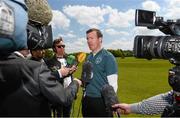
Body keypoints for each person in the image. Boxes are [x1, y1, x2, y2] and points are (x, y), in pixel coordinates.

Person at [0, 0, 81, 116]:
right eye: (40, 28)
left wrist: (65, 74)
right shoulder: (36, 69)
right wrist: (76, 83)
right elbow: (64, 97)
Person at [82, 28, 118, 117]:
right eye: (87, 39)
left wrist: (111, 103)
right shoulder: (88, 57)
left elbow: (113, 84)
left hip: (101, 101)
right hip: (87, 100)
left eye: (92, 38)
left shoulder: (108, 57)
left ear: (100, 39)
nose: (89, 41)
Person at [45, 37, 77, 117]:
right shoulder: (49, 62)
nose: (62, 48)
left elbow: (75, 63)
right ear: (54, 49)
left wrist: (73, 68)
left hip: (69, 93)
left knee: (67, 115)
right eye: (59, 46)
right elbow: (49, 78)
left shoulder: (69, 58)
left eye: (63, 46)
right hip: (57, 95)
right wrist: (66, 72)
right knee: (58, 115)